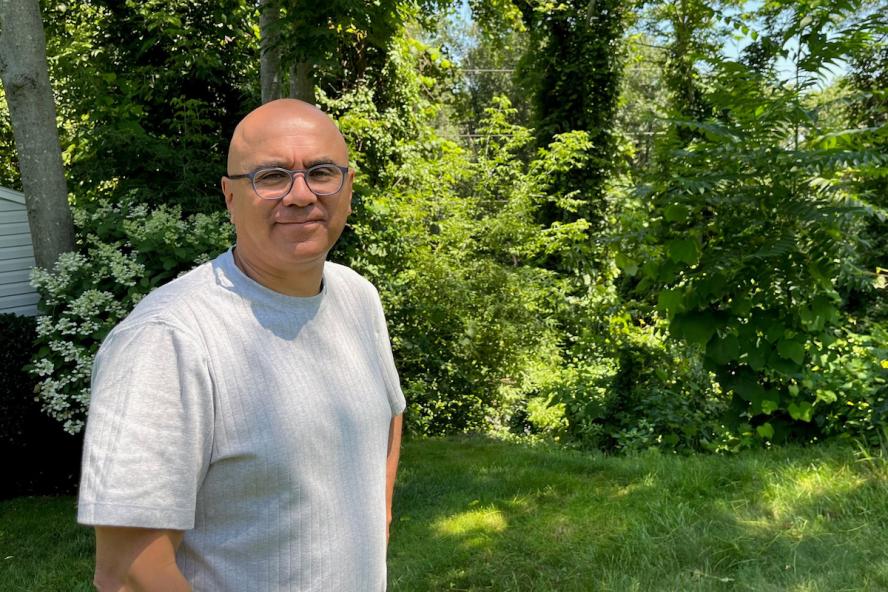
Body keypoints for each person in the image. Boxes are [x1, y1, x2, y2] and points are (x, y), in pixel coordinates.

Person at [77, 98, 405, 591]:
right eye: (271, 177)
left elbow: (390, 411)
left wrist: (377, 517)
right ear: (231, 198)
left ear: (348, 187)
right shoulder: (167, 341)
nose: (300, 195)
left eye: (321, 172)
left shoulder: (358, 297)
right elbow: (127, 575)